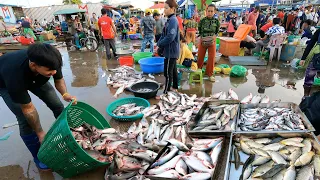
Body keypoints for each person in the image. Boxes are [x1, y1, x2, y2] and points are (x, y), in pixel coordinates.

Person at [0, 43, 77, 170]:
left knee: (57, 105)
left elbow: (58, 79)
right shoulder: (14, 74)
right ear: (33, 65)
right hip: (5, 84)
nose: (54, 72)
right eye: (49, 71)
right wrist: (40, 132)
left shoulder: (51, 62)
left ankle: (69, 136)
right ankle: (38, 156)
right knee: (25, 119)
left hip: (37, 78)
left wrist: (65, 94)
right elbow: (28, 108)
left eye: (55, 69)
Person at [157, 0, 180, 96]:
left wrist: (160, 44)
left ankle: (166, 92)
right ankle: (175, 87)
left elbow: (170, 37)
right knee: (173, 70)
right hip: (170, 50)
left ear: (173, 9)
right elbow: (163, 34)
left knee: (167, 73)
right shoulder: (169, 20)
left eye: (166, 8)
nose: (164, 10)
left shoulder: (173, 20)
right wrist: (159, 43)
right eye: (164, 8)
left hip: (171, 51)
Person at [197, 4, 220, 82]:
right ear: (206, 11)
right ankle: (198, 71)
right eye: (208, 11)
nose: (210, 13)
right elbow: (199, 29)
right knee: (200, 56)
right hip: (203, 41)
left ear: (214, 12)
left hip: (212, 42)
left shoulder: (216, 21)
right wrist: (202, 37)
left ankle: (210, 74)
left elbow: (217, 31)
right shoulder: (202, 21)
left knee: (211, 57)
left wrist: (214, 36)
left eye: (211, 11)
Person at [300, 28, 320, 98]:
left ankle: (306, 96)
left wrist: (303, 58)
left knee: (309, 78)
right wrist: (303, 58)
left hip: (317, 57)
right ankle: (306, 96)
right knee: (309, 77)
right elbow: (311, 44)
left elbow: (311, 44)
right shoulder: (319, 31)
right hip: (317, 58)